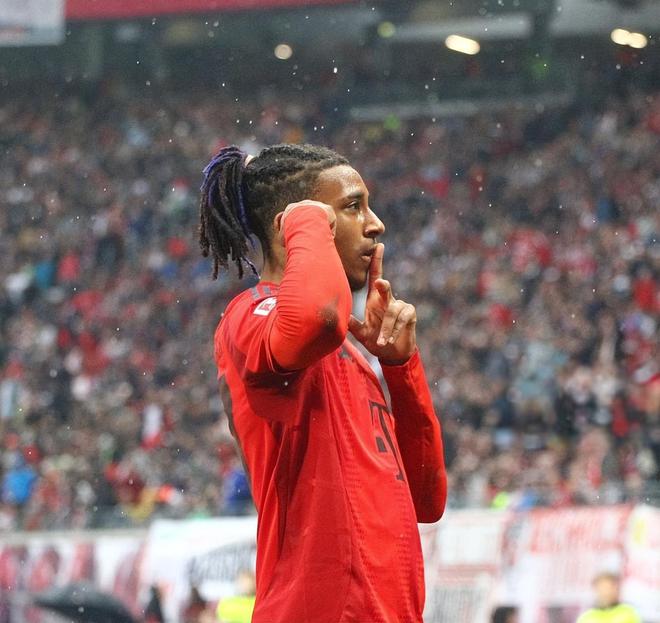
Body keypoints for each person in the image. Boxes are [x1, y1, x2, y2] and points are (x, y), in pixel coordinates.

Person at [199, 144, 447, 622]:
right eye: (352, 207)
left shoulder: (351, 354)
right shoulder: (250, 316)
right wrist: (305, 220)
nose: (375, 224)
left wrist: (401, 369)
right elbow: (317, 316)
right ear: (293, 226)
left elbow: (427, 498)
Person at [576, 573, 641, 623]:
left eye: (610, 587)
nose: (607, 592)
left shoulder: (629, 612)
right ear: (596, 589)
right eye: (603, 588)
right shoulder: (586, 617)